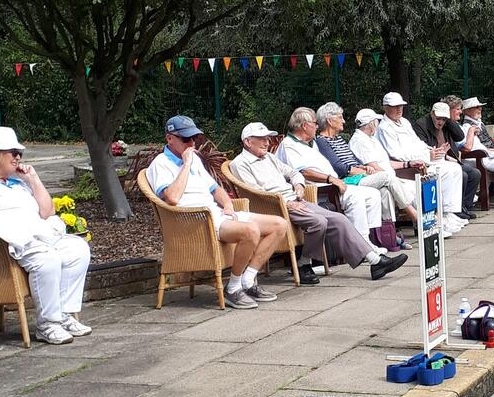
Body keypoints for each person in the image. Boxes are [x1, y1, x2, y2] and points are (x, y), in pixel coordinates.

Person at [230, 123, 407, 282]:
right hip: (275, 207)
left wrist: (298, 185)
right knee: (319, 222)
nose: (267, 142)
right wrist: (286, 202)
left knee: (338, 219)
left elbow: (293, 173)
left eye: (267, 138)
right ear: (247, 142)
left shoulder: (269, 157)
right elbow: (255, 193)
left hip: (295, 199)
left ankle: (375, 262)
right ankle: (304, 263)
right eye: (261, 139)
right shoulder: (241, 163)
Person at [0, 127, 92, 344]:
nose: (18, 157)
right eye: (13, 152)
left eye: (19, 153)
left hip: (36, 235)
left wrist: (33, 180)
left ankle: (63, 314)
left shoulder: (17, 181)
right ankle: (48, 324)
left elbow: (47, 212)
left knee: (78, 250)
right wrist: (14, 228)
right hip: (4, 242)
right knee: (47, 259)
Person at [147, 114, 287, 309]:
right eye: (186, 139)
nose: (192, 143)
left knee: (279, 224)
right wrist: (186, 164)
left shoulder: (195, 160)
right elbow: (172, 198)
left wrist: (228, 205)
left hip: (217, 215)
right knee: (251, 231)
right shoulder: (160, 164)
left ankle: (247, 280)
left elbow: (215, 189)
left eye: (195, 138)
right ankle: (233, 289)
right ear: (169, 138)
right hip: (196, 221)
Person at [277, 107, 383, 241]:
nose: (317, 126)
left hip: (332, 184)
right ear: (304, 126)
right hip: (319, 190)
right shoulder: (289, 145)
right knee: (356, 197)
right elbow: (303, 171)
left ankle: (370, 239)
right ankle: (361, 242)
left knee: (372, 194)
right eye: (315, 123)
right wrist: (330, 178)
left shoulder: (310, 143)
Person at [315, 102, 418, 238]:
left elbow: (353, 160)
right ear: (329, 120)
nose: (344, 121)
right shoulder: (322, 141)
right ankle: (415, 216)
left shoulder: (338, 139)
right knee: (386, 176)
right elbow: (338, 167)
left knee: (385, 191)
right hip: (347, 181)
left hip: (359, 177)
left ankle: (388, 236)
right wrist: (361, 171)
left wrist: (363, 167)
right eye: (340, 117)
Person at [376, 93, 467, 238]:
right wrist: (426, 156)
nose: (399, 109)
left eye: (401, 106)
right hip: (406, 168)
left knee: (454, 169)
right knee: (438, 175)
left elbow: (417, 143)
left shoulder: (404, 122)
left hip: (422, 161)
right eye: (394, 107)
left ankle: (448, 214)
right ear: (385, 108)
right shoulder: (384, 128)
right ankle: (433, 222)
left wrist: (432, 151)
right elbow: (397, 153)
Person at [413, 101, 480, 219]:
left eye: (444, 119)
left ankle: (464, 206)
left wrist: (448, 120)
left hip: (448, 160)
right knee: (463, 175)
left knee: (475, 174)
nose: (441, 122)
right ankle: (455, 209)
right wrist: (443, 155)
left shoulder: (446, 124)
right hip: (434, 161)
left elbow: (460, 136)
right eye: (439, 118)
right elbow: (424, 149)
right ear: (432, 114)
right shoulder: (421, 125)